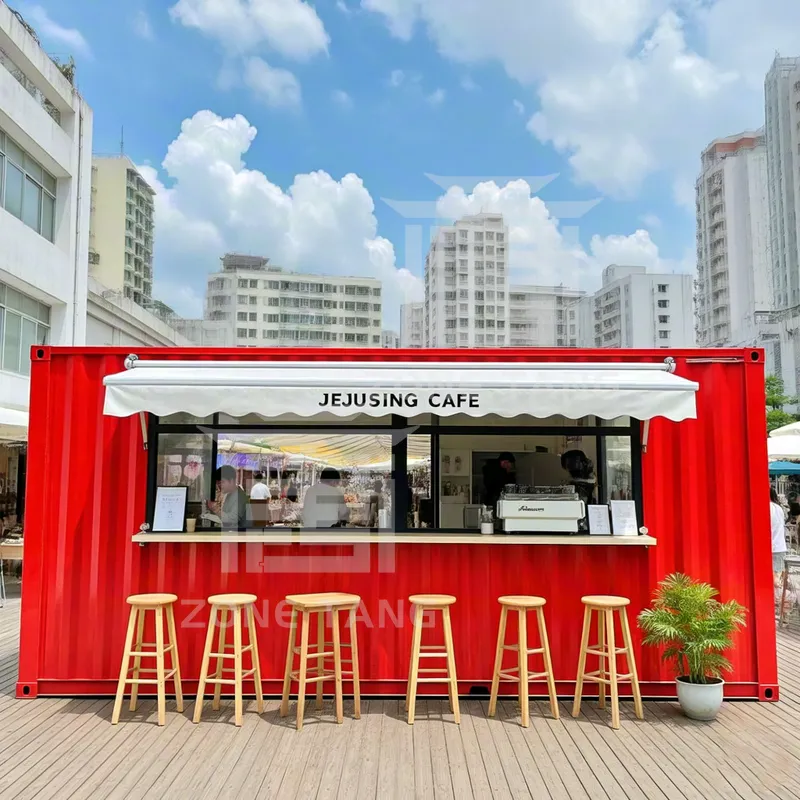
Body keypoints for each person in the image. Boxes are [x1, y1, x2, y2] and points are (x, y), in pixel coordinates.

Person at [208, 465, 249, 530]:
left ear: (232, 480)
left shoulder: (240, 497)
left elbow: (232, 521)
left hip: (239, 534)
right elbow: (225, 517)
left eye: (221, 482)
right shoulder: (229, 494)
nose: (219, 486)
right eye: (217, 483)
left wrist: (216, 510)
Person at [771, 487, 788, 577]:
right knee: (777, 577)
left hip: (771, 547)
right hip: (780, 547)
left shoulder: (767, 507)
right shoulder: (779, 508)